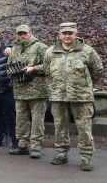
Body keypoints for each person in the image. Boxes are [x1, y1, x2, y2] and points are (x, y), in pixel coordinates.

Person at [41, 23, 103, 171]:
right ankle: (62, 153)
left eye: (70, 33)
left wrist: (84, 86)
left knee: (84, 128)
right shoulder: (50, 52)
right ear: (59, 34)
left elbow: (97, 71)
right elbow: (47, 72)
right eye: (64, 33)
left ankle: (86, 157)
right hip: (58, 97)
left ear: (76, 34)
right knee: (60, 127)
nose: (67, 36)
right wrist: (55, 88)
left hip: (81, 97)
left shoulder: (87, 51)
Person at [7, 25, 48, 158]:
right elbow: (8, 67)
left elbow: (49, 65)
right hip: (20, 90)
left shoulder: (40, 47)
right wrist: (11, 73)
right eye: (19, 34)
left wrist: (34, 68)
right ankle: (22, 144)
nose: (22, 36)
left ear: (30, 33)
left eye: (24, 33)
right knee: (21, 119)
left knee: (37, 120)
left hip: (37, 91)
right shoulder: (14, 49)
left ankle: (36, 147)